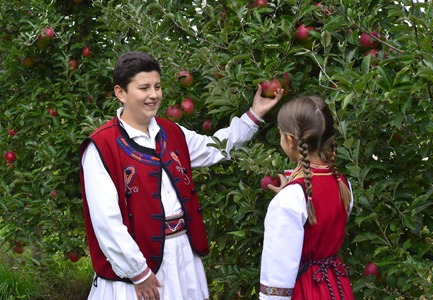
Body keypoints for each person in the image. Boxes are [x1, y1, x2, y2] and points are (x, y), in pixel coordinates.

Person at [79, 51, 283, 300]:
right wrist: (138, 273)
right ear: (120, 93)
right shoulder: (101, 146)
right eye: (144, 88)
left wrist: (255, 115)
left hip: (183, 257)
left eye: (157, 86)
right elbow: (106, 222)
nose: (153, 95)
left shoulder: (172, 133)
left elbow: (215, 149)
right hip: (134, 273)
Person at [259, 95, 354, 300]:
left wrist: (287, 195)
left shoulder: (289, 201)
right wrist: (289, 190)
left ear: (290, 141)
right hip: (336, 287)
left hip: (306, 291)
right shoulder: (342, 184)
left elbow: (277, 278)